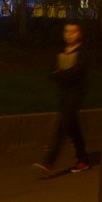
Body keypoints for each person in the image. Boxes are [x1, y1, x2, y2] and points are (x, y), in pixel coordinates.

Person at [35, 21, 91, 175]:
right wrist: (61, 75)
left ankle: (49, 162)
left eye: (73, 31)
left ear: (79, 34)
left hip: (76, 93)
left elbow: (76, 73)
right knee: (73, 127)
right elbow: (52, 71)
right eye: (66, 31)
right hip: (63, 93)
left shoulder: (82, 52)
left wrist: (61, 74)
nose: (69, 35)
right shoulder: (60, 51)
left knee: (62, 125)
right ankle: (83, 159)